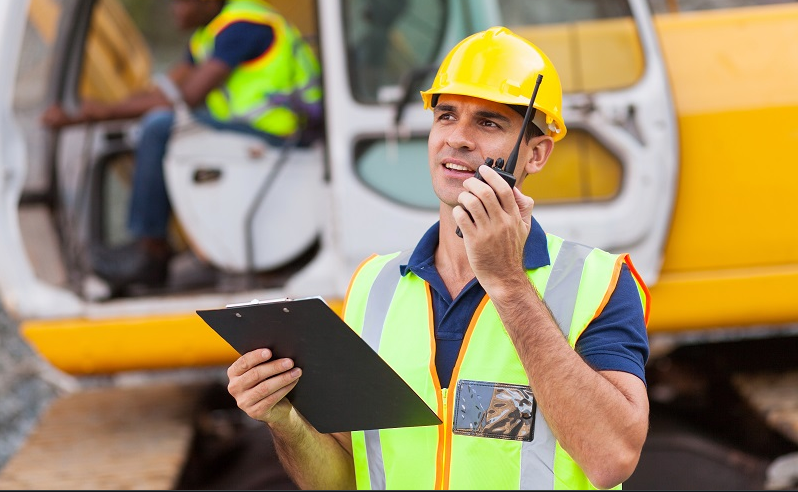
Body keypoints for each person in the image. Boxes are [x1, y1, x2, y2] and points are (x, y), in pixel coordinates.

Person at [226, 26, 650, 490]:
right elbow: (346, 480)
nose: (458, 139)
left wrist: (508, 281)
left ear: (536, 154)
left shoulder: (596, 283)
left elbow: (611, 458)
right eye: (446, 116)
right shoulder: (375, 286)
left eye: (489, 123)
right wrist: (284, 419)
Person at [41, 0, 322, 291]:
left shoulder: (243, 27)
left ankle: (151, 248)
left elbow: (187, 96)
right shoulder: (208, 35)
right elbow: (167, 87)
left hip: (282, 135)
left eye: (181, 2)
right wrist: (104, 108)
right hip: (253, 132)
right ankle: (176, 245)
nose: (174, 9)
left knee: (159, 126)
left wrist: (102, 112)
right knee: (153, 122)